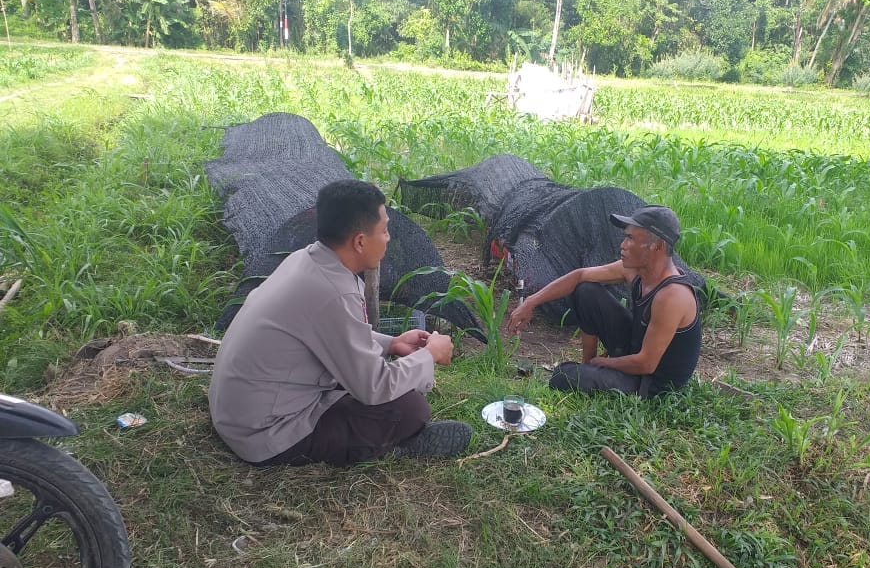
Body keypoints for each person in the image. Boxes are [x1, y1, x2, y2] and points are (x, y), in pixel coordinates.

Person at [209, 181, 473, 466]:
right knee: (410, 409)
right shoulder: (333, 292)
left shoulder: (306, 260)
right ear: (360, 241)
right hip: (264, 433)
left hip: (237, 412)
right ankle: (388, 444)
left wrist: (392, 343)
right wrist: (429, 355)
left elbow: (335, 333)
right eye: (384, 230)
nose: (388, 238)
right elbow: (374, 386)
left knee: (388, 389)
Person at [507, 205, 701, 398]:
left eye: (631, 238)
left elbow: (647, 364)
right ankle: (588, 365)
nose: (623, 245)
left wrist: (603, 363)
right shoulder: (636, 270)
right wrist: (531, 302)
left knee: (563, 376)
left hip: (652, 381)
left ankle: (591, 370)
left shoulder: (672, 296)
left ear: (658, 245)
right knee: (585, 290)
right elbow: (580, 276)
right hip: (635, 349)